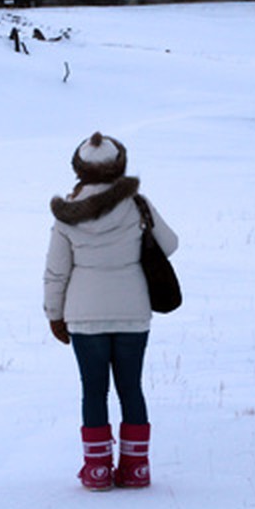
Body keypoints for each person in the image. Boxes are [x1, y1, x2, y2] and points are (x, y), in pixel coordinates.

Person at [43, 132, 179, 490]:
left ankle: (98, 470)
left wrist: (54, 315)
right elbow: (171, 244)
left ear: (79, 168)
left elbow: (56, 272)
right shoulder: (137, 204)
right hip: (133, 310)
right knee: (131, 388)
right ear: (120, 165)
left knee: (93, 391)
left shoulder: (67, 215)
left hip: (84, 315)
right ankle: (136, 468)